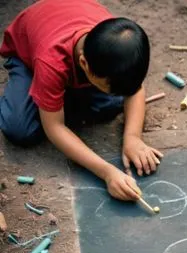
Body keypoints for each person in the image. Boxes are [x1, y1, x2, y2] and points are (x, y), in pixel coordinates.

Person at [0, 0, 162, 201]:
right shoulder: (51, 62)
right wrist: (107, 172)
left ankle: (56, 98)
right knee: (19, 128)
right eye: (107, 86)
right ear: (84, 63)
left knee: (111, 103)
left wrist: (133, 137)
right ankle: (47, 93)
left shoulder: (115, 41)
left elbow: (134, 90)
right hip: (29, 56)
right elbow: (55, 128)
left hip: (66, 26)